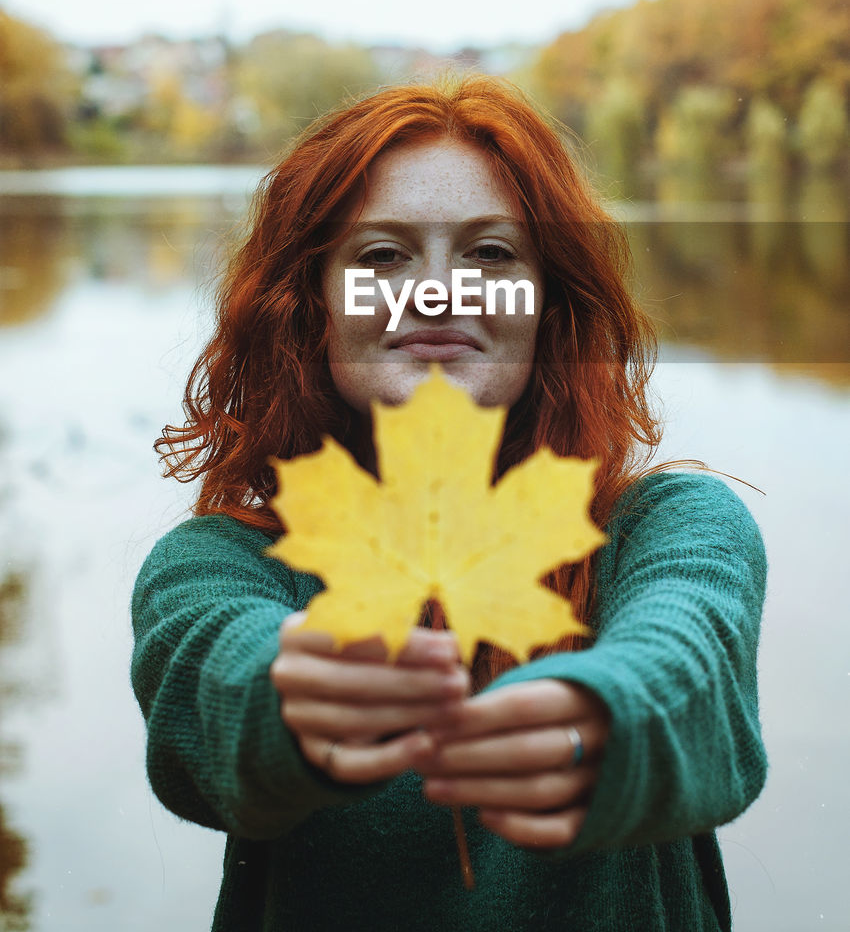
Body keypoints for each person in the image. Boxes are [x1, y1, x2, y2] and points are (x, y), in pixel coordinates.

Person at [131, 75, 768, 931]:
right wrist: (291, 689)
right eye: (381, 256)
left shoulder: (666, 528)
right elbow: (202, 691)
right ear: (310, 303)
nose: (437, 292)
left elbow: (695, 666)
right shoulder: (223, 561)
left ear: (552, 301)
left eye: (491, 254)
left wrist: (599, 716)